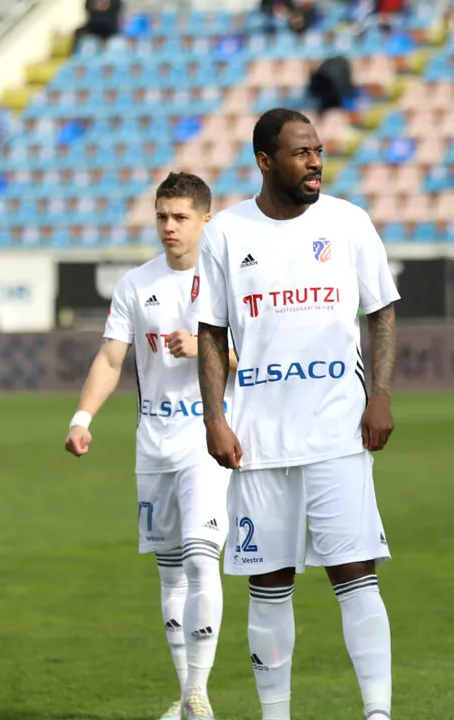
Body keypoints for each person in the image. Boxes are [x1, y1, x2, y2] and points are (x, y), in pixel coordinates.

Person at [189, 108, 400, 720]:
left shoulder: (348, 222)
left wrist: (380, 393)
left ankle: (377, 713)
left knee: (356, 574)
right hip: (258, 440)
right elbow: (210, 329)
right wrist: (213, 416)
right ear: (265, 161)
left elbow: (380, 311)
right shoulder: (227, 233)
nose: (315, 162)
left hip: (338, 432)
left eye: (318, 151)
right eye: (301, 152)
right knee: (269, 582)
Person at [64, 172, 236, 720]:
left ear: (205, 220)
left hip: (207, 438)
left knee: (201, 558)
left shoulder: (228, 280)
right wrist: (82, 416)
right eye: (162, 216)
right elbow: (112, 358)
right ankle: (186, 693)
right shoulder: (137, 284)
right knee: (169, 573)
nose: (169, 226)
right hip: (153, 443)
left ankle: (200, 696)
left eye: (180, 217)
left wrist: (207, 349)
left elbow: (256, 358)